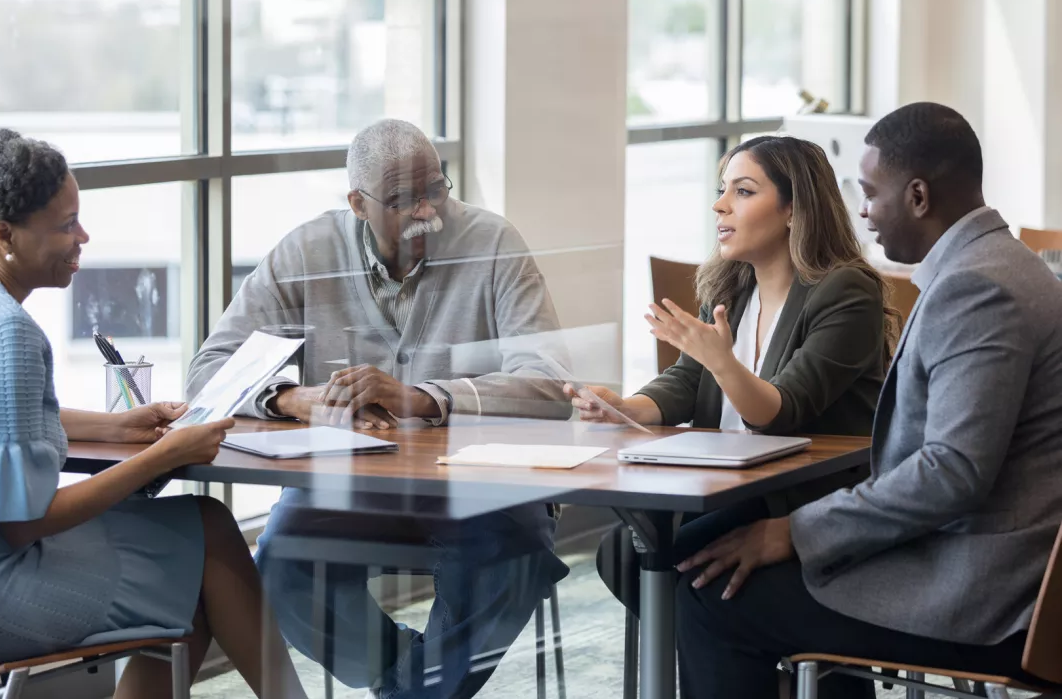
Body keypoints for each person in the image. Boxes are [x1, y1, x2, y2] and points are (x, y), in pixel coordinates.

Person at [0, 130, 306, 699]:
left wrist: (118, 426)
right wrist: (165, 454)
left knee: (195, 556)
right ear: (4, 233)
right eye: (66, 225)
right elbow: (25, 524)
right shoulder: (4, 332)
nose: (83, 237)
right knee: (207, 534)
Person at [672, 102, 1062, 698]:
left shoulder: (976, 288)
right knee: (697, 566)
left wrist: (794, 532)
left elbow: (951, 473)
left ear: (918, 197)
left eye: (871, 193)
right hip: (989, 572)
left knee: (709, 599)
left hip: (981, 598)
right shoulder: (999, 267)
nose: (861, 211)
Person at [186, 119, 571, 698]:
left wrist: (424, 398)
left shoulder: (493, 243)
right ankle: (412, 686)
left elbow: (549, 383)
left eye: (435, 189)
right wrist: (293, 399)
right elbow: (207, 371)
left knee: (510, 562)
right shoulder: (307, 251)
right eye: (402, 199)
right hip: (349, 485)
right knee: (284, 565)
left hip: (479, 486)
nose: (426, 211)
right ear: (358, 203)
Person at [577, 135, 900, 615]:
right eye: (722, 189)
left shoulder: (845, 291)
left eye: (743, 192)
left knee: (661, 567)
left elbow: (783, 411)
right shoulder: (732, 284)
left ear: (794, 209)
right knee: (624, 556)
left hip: (799, 501)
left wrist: (722, 361)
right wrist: (627, 409)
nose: (719, 205)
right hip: (727, 486)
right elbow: (689, 380)